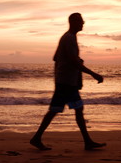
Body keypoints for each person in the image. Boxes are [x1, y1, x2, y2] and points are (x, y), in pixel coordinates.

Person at [30, 13, 105, 151]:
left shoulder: (69, 38)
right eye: (81, 21)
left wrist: (67, 68)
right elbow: (73, 61)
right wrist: (94, 74)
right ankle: (37, 138)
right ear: (73, 22)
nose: (83, 23)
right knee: (57, 110)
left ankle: (87, 141)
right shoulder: (68, 38)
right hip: (65, 83)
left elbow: (56, 57)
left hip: (66, 82)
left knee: (74, 109)